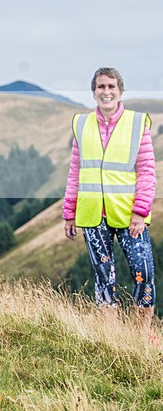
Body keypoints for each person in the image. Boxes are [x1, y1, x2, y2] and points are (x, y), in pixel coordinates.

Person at [63, 67, 156, 341]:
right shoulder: (81, 125)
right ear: (94, 91)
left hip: (129, 214)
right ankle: (110, 337)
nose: (106, 91)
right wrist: (69, 213)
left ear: (120, 91)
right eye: (101, 86)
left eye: (111, 86)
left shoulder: (137, 124)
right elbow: (75, 172)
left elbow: (147, 171)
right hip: (93, 214)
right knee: (104, 277)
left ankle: (142, 336)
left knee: (143, 273)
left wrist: (140, 211)